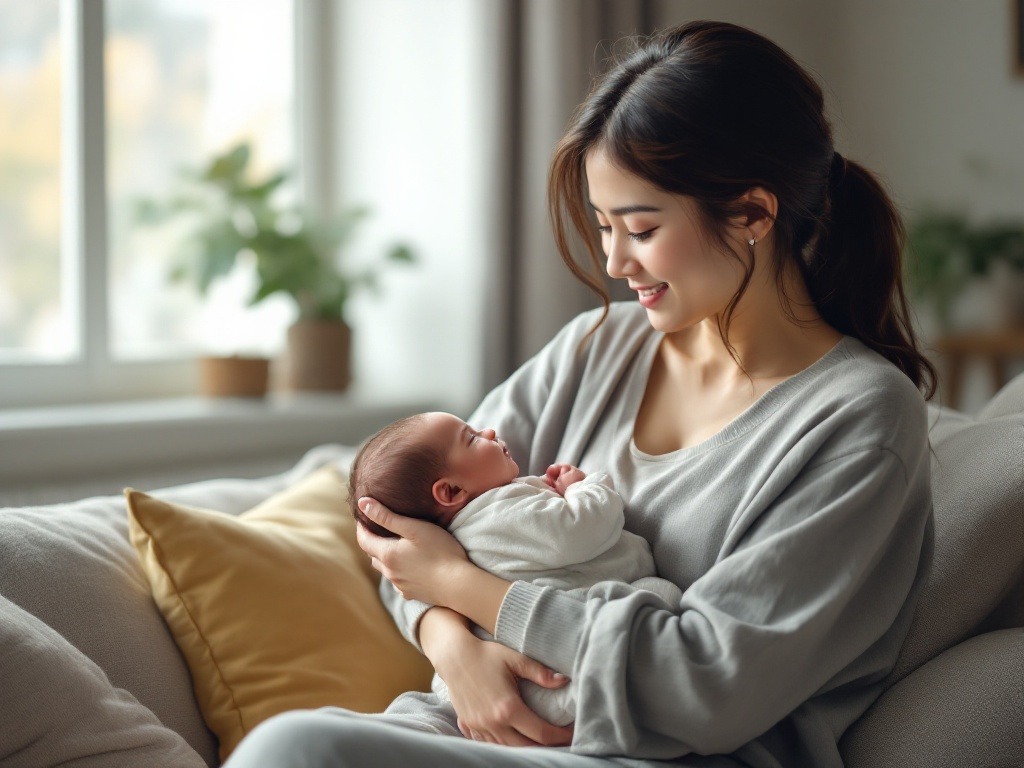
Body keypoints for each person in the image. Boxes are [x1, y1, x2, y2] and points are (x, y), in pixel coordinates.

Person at [224, 19, 935, 768]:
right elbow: (407, 532)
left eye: (641, 227)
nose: (613, 260)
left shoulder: (860, 418)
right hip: (476, 725)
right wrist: (449, 642)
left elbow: (708, 685)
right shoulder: (596, 350)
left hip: (657, 755)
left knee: (296, 750)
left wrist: (465, 589)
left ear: (755, 213)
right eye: (603, 226)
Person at [346, 411, 683, 727]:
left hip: (477, 682)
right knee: (660, 593)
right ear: (451, 491)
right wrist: (584, 487)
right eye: (473, 437)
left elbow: (410, 575)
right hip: (547, 673)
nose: (489, 430)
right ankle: (581, 703)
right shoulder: (502, 513)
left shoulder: (448, 534)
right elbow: (580, 527)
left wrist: (446, 586)